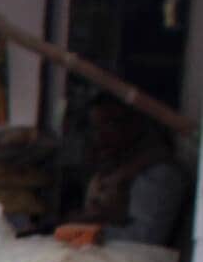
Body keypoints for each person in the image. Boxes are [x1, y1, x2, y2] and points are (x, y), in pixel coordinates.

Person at [73, 98, 187, 247]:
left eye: (110, 124)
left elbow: (144, 240)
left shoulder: (157, 176)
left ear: (134, 125)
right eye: (96, 128)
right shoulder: (108, 172)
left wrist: (92, 230)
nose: (100, 136)